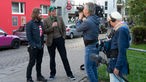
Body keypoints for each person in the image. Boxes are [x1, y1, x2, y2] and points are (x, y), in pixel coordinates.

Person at [43, 6, 75, 81]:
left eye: (55, 11)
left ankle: (69, 74)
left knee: (64, 57)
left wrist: (63, 37)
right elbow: (45, 31)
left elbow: (64, 29)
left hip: (59, 39)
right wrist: (52, 26)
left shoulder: (59, 18)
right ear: (50, 12)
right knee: (52, 58)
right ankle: (52, 74)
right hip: (51, 41)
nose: (55, 12)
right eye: (53, 11)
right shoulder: (46, 20)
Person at [76, 2, 100, 82]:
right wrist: (85, 19)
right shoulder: (95, 18)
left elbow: (78, 29)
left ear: (87, 10)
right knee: (93, 67)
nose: (83, 10)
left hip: (90, 48)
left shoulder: (87, 22)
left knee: (88, 68)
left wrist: (79, 18)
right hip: (95, 45)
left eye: (84, 8)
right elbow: (89, 24)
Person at [107, 11, 131, 82]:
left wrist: (117, 67)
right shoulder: (119, 28)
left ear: (114, 20)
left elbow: (122, 51)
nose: (110, 23)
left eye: (110, 21)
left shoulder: (121, 30)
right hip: (115, 60)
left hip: (117, 62)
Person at [26, 8, 47, 82]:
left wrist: (42, 44)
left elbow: (41, 35)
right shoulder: (30, 24)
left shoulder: (41, 23)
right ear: (35, 14)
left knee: (39, 62)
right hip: (33, 48)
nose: (41, 15)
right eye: (40, 13)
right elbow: (29, 37)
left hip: (40, 47)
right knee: (32, 63)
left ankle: (39, 76)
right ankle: (29, 78)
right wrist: (33, 46)